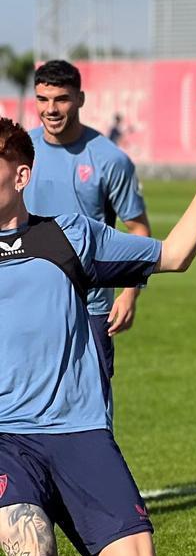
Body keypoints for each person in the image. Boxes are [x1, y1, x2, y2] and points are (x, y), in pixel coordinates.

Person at [0, 108, 196, 556]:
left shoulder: (68, 236)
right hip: (6, 438)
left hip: (78, 431)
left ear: (20, 176)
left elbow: (174, 254)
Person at [25, 61, 152, 393]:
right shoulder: (19, 152)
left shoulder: (111, 160)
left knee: (91, 405)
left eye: (61, 99)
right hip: (27, 302)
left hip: (89, 307)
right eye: (42, 99)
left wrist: (129, 294)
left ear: (80, 99)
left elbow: (138, 229)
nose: (51, 109)